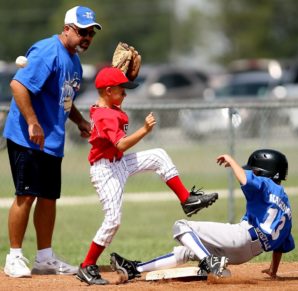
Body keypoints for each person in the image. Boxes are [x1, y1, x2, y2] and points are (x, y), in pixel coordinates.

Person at [75, 66, 218, 285]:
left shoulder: (105, 105)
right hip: (106, 171)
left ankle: (187, 200)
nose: (125, 94)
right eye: (122, 90)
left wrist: (122, 76)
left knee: (159, 156)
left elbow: (109, 97)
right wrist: (144, 130)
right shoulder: (105, 114)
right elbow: (121, 144)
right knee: (113, 220)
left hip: (118, 163)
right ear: (109, 91)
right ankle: (87, 265)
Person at [3, 6, 102, 278]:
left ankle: (45, 258)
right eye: (82, 31)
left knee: (48, 198)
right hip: (27, 137)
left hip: (51, 140)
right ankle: (14, 256)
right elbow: (18, 86)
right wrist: (33, 121)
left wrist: (80, 121)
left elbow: (64, 100)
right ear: (67, 28)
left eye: (90, 33)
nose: (86, 37)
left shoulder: (75, 62)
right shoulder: (49, 50)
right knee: (26, 194)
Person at [110, 149, 295, 280]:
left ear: (263, 172)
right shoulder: (286, 206)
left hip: (242, 236)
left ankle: (209, 262)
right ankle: (135, 269)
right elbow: (282, 245)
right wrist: (273, 270)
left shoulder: (265, 183)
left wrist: (231, 161)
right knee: (188, 251)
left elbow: (247, 180)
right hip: (247, 254)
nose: (250, 171)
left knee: (181, 225)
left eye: (253, 170)